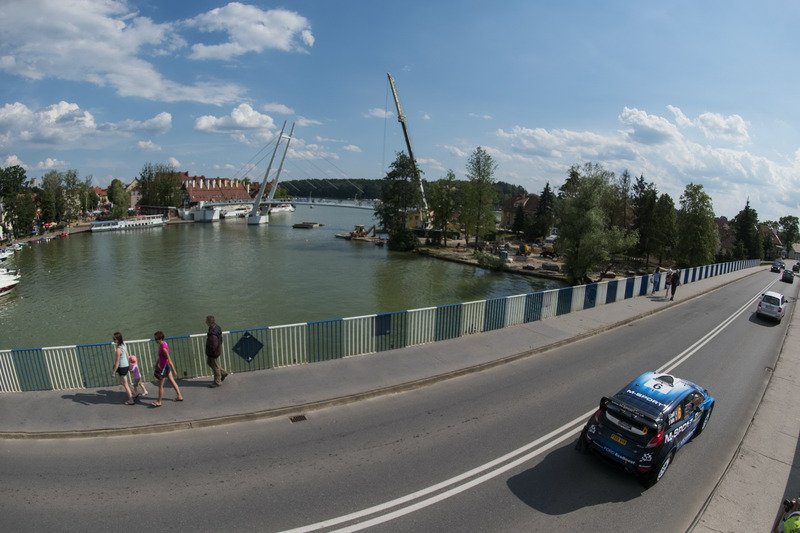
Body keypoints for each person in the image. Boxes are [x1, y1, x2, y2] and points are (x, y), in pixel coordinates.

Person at [151, 331, 183, 407]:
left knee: (160, 385)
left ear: (160, 339)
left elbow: (169, 359)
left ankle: (159, 401)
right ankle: (179, 396)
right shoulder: (162, 344)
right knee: (172, 381)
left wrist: (174, 370)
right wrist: (157, 363)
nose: (155, 340)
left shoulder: (163, 348)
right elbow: (161, 356)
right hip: (165, 367)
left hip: (165, 368)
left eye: (156, 339)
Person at [111, 332, 135, 405]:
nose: (113, 340)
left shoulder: (118, 349)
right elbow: (127, 355)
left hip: (122, 367)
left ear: (117, 339)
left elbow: (117, 362)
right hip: (126, 366)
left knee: (125, 384)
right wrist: (129, 365)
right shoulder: (124, 344)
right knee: (123, 382)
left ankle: (131, 399)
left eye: (114, 339)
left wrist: (113, 372)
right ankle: (135, 393)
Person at [205, 315, 228, 388]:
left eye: (206, 321)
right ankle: (223, 373)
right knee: (211, 363)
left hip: (213, 352)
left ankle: (217, 382)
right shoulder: (217, 327)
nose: (205, 322)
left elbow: (213, 345)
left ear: (209, 322)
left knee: (215, 367)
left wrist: (210, 352)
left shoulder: (213, 333)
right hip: (215, 351)